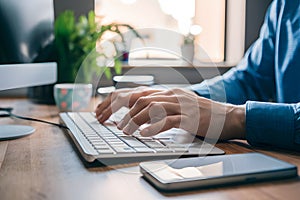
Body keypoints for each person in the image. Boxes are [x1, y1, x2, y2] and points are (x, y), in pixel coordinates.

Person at [95, 0, 300, 151]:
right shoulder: (285, 5)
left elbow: (238, 107)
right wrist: (176, 97)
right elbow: (249, 79)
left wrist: (237, 119)